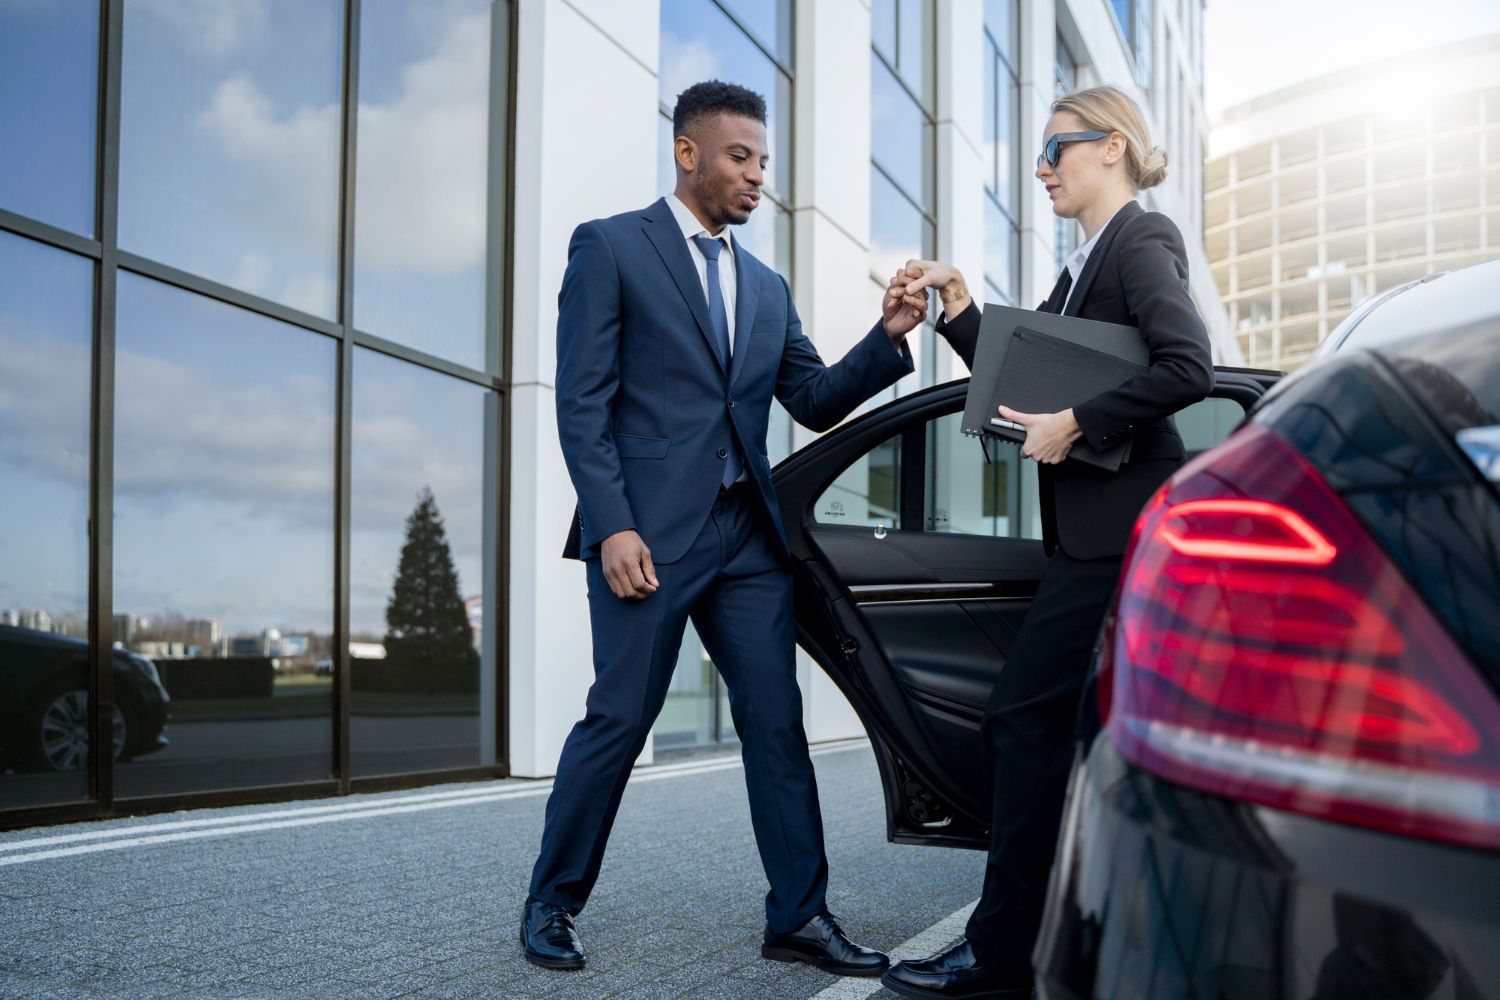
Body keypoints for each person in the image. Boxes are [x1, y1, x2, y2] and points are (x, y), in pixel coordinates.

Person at [520, 80, 928, 976]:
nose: (758, 177)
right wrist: (614, 525)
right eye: (742, 157)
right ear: (688, 152)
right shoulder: (612, 247)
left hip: (747, 538)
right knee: (619, 719)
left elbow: (815, 401)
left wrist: (888, 334)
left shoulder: (766, 286)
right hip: (648, 539)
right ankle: (552, 901)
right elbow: (582, 404)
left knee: (775, 724)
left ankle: (800, 916)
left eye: (766, 162)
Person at [880, 85, 1214, 999]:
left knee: (1020, 722)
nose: (1040, 170)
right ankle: (1053, 942)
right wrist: (956, 308)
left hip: (1118, 536)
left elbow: (1191, 364)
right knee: (1066, 734)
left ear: (1111, 148)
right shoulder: (1082, 265)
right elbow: (1021, 375)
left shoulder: (1141, 239)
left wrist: (1078, 422)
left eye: (1054, 151)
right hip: (1087, 539)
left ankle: (1001, 960)